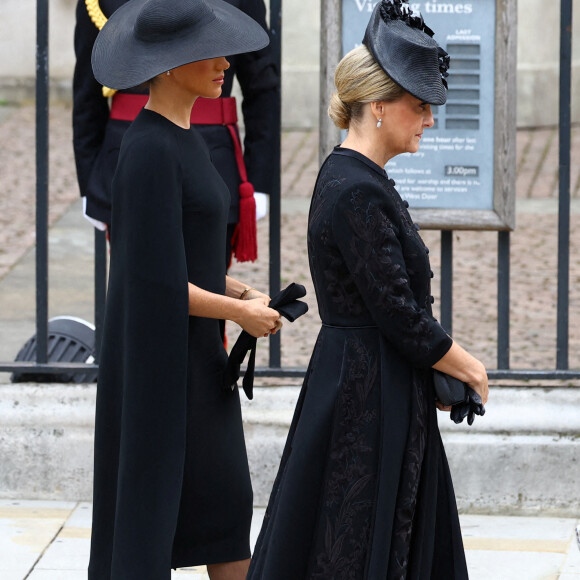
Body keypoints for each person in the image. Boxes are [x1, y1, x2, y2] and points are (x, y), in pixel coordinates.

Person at [247, 1, 489, 578]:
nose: (429, 119)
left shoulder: (354, 177)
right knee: (356, 542)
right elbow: (399, 313)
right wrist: (469, 366)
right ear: (379, 106)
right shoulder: (356, 188)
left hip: (369, 380)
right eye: (420, 105)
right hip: (367, 390)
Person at [87, 0, 282, 578]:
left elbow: (180, 256)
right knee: (161, 525)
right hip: (161, 377)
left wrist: (236, 288)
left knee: (225, 515)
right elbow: (152, 282)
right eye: (208, 51)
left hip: (198, 364)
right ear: (171, 65)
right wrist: (238, 315)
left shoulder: (185, 136)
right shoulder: (146, 149)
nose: (225, 62)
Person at [73, 0, 279, 265]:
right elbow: (87, 92)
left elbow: (261, 85)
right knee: (140, 278)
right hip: (126, 156)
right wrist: (90, 178)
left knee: (208, 276)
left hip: (213, 155)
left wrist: (258, 180)